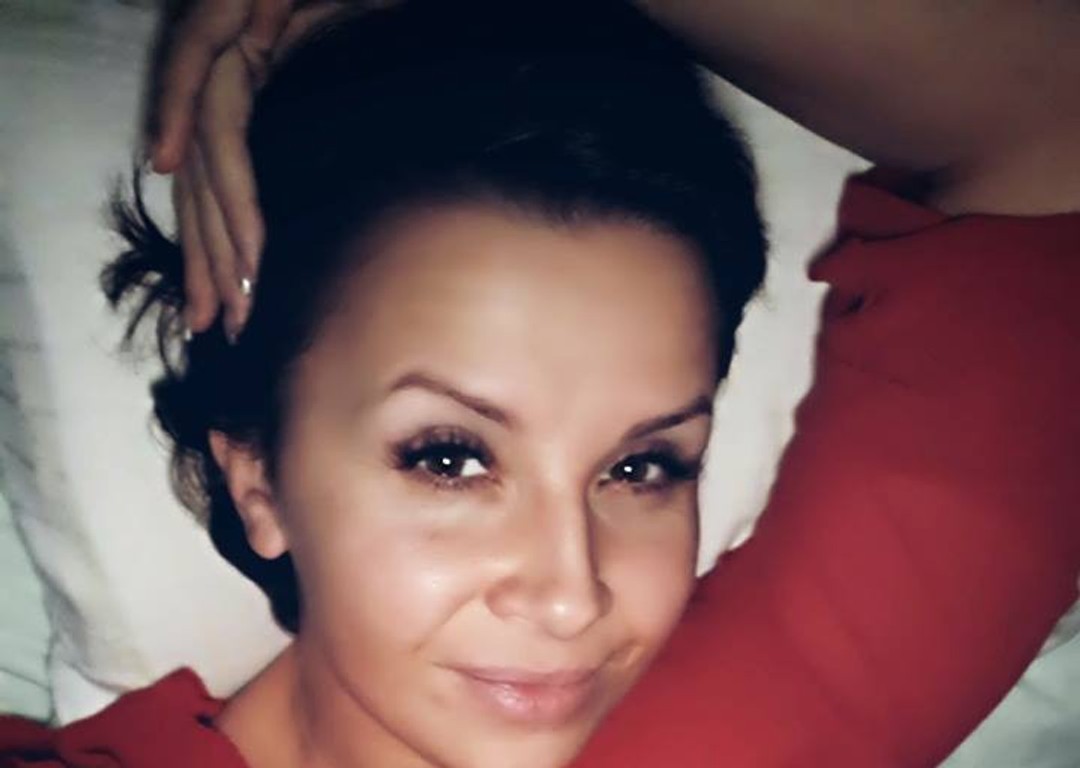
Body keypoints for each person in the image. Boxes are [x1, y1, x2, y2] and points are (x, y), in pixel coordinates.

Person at [3, 0, 1080, 766]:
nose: (572, 596)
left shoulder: (751, 732)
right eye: (451, 458)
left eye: (642, 467)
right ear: (259, 484)